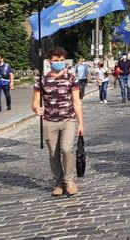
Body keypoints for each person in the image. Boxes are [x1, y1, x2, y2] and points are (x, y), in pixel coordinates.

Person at [31, 46, 84, 197]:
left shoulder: (71, 78)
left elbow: (77, 102)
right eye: (56, 60)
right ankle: (58, 183)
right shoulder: (42, 80)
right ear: (49, 61)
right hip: (49, 121)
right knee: (53, 155)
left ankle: (69, 181)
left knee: (67, 149)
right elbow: (34, 103)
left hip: (68, 119)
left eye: (62, 60)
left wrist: (80, 123)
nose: (59, 63)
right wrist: (37, 109)